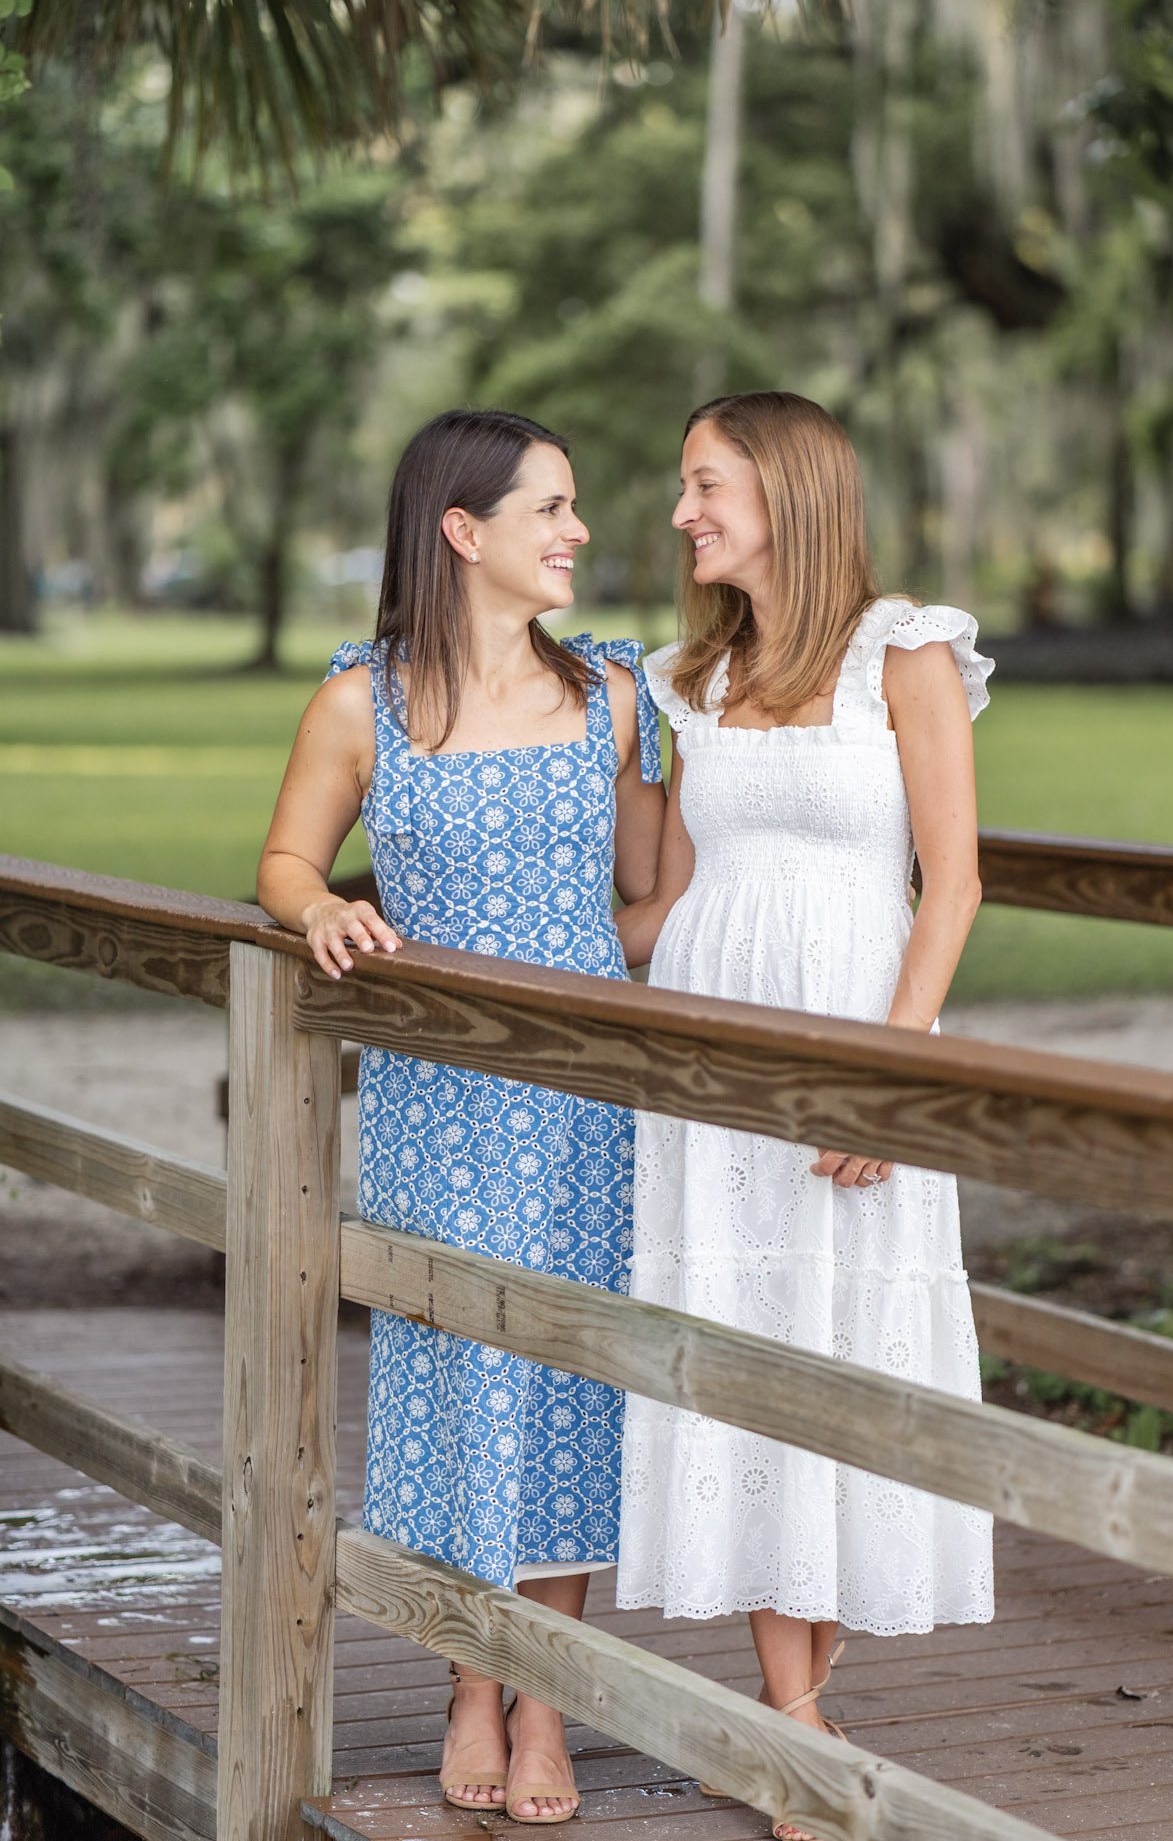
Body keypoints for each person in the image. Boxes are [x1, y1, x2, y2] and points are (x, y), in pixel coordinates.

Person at [258, 407, 663, 1825]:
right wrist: (325, 909)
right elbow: (286, 858)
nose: (578, 532)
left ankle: (543, 1694)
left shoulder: (613, 697)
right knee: (449, 1385)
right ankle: (463, 1682)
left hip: (580, 1105)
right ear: (462, 532)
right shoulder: (360, 700)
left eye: (573, 507)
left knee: (567, 1383)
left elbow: (657, 892)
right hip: (436, 1099)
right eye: (549, 508)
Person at [615, 390, 994, 1841]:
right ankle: (791, 1724)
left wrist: (891, 1078)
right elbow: (653, 904)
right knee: (751, 1347)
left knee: (847, 1348)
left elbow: (950, 883)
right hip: (716, 1063)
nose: (680, 512)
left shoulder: (903, 652)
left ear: (787, 490)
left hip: (862, 1039)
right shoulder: (683, 680)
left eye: (703, 483)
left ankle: (788, 1721)